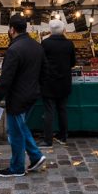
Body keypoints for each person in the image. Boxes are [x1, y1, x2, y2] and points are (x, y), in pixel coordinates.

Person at [0, 15, 47, 177]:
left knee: (15, 133)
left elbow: (5, 79)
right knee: (20, 127)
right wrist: (37, 90)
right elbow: (45, 72)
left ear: (12, 29)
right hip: (32, 95)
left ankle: (17, 168)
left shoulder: (14, 49)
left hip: (17, 97)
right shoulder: (37, 46)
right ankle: (36, 156)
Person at [41, 19, 76, 147]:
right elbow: (73, 63)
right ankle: (63, 136)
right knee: (62, 110)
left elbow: (41, 63)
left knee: (49, 111)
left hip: (48, 82)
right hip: (64, 82)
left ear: (50, 30)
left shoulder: (45, 44)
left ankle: (48, 140)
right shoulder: (69, 44)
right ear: (63, 30)